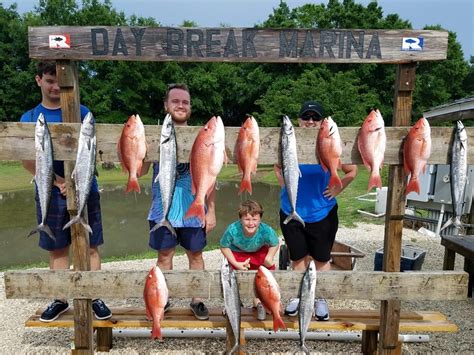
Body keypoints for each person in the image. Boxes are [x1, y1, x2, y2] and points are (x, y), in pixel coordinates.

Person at [20, 61, 112, 322]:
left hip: (85, 186)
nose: (54, 87)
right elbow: (27, 160)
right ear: (39, 80)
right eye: (49, 80)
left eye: (59, 82)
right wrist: (57, 182)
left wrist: (73, 182)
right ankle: (60, 298)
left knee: (91, 244)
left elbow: (90, 153)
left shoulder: (82, 112)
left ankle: (94, 296)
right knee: (57, 247)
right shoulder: (30, 118)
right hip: (49, 188)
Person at [274, 100, 357, 321]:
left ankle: (320, 298)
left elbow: (352, 170)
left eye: (315, 118)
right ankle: (298, 296)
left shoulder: (328, 142)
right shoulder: (290, 142)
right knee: (297, 258)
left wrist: (337, 189)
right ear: (299, 121)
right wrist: (283, 182)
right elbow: (277, 165)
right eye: (306, 117)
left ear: (321, 122)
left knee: (321, 259)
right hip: (291, 210)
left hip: (322, 213)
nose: (310, 121)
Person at [140, 83, 216, 320]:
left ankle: (197, 299)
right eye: (175, 101)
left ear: (190, 107)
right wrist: (145, 149)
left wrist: (211, 209)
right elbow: (141, 171)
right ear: (166, 105)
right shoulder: (156, 134)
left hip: (193, 210)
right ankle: (163, 298)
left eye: (185, 101)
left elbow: (210, 176)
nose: (181, 105)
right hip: (162, 210)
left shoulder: (201, 136)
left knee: (196, 255)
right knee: (164, 257)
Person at [220, 200, 280, 321]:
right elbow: (224, 246)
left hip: (259, 251)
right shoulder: (233, 229)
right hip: (238, 252)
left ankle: (260, 302)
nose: (251, 223)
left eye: (254, 219)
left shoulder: (266, 230)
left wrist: (270, 257)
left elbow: (275, 243)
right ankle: (231, 302)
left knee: (267, 274)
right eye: (247, 219)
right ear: (240, 220)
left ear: (260, 220)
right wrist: (236, 263)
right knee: (230, 275)